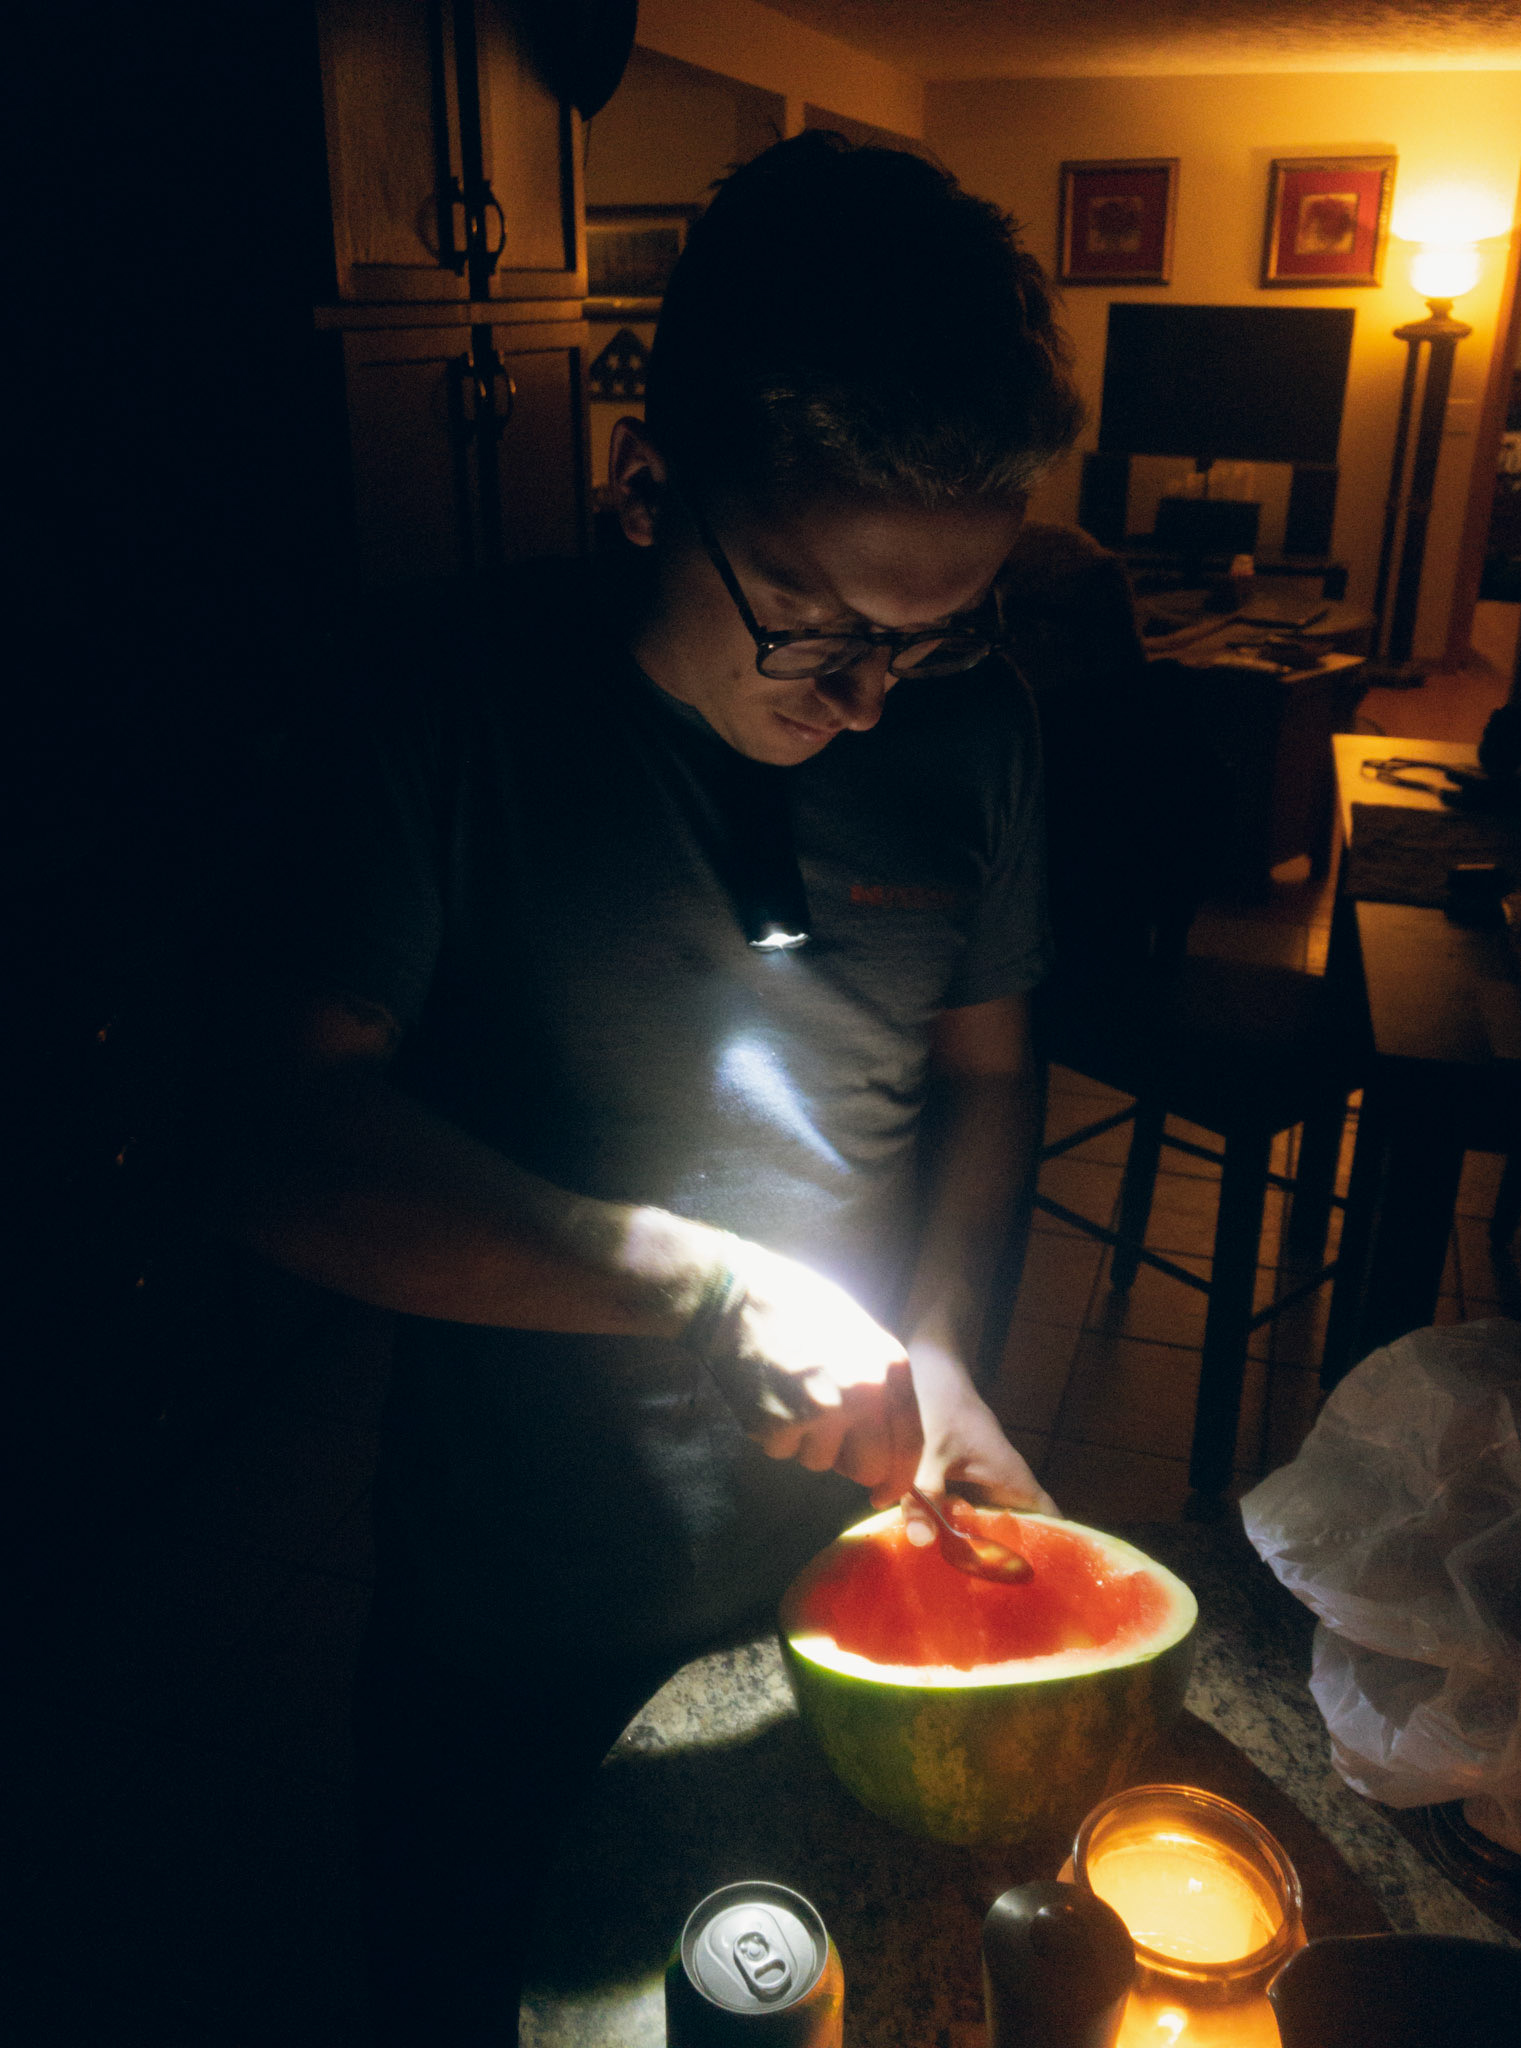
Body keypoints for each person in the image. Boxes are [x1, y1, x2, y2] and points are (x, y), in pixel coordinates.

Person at [220, 132, 1081, 2044]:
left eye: (937, 629)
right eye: (818, 624)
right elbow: (280, 1145)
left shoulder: (982, 731)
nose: (873, 697)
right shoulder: (438, 704)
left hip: (842, 1605)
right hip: (514, 1603)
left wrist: (947, 1348)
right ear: (641, 489)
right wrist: (691, 1284)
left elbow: (988, 1071)